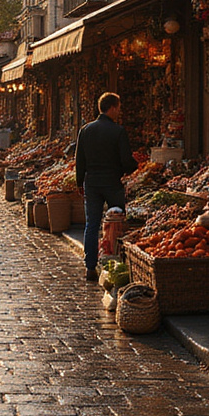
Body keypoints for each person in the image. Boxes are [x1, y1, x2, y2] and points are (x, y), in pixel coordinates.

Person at [75, 92, 137, 281]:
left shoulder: (86, 130)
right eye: (118, 107)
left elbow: (80, 160)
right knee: (116, 223)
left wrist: (80, 182)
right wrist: (132, 167)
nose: (119, 111)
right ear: (112, 107)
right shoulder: (118, 131)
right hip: (112, 182)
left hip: (92, 183)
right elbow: (126, 159)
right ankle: (117, 264)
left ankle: (90, 267)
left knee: (92, 224)